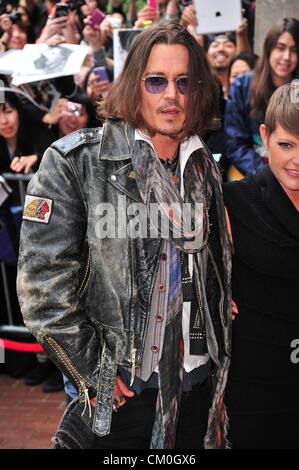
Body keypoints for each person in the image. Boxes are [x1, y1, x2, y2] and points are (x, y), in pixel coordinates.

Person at [17, 23, 232, 450]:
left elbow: (206, 258)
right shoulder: (75, 162)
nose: (171, 94)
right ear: (134, 84)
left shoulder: (203, 165)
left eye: (184, 82)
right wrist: (92, 370)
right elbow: (42, 287)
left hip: (198, 382)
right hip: (120, 388)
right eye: (157, 81)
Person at [224, 81, 299, 449]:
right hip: (256, 386)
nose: (297, 160)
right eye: (287, 145)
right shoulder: (232, 201)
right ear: (265, 137)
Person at [225, 18, 299, 179]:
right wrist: (268, 176)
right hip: (252, 174)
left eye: (294, 50)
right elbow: (235, 143)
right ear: (269, 49)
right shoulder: (242, 85)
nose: (286, 57)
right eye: (281, 48)